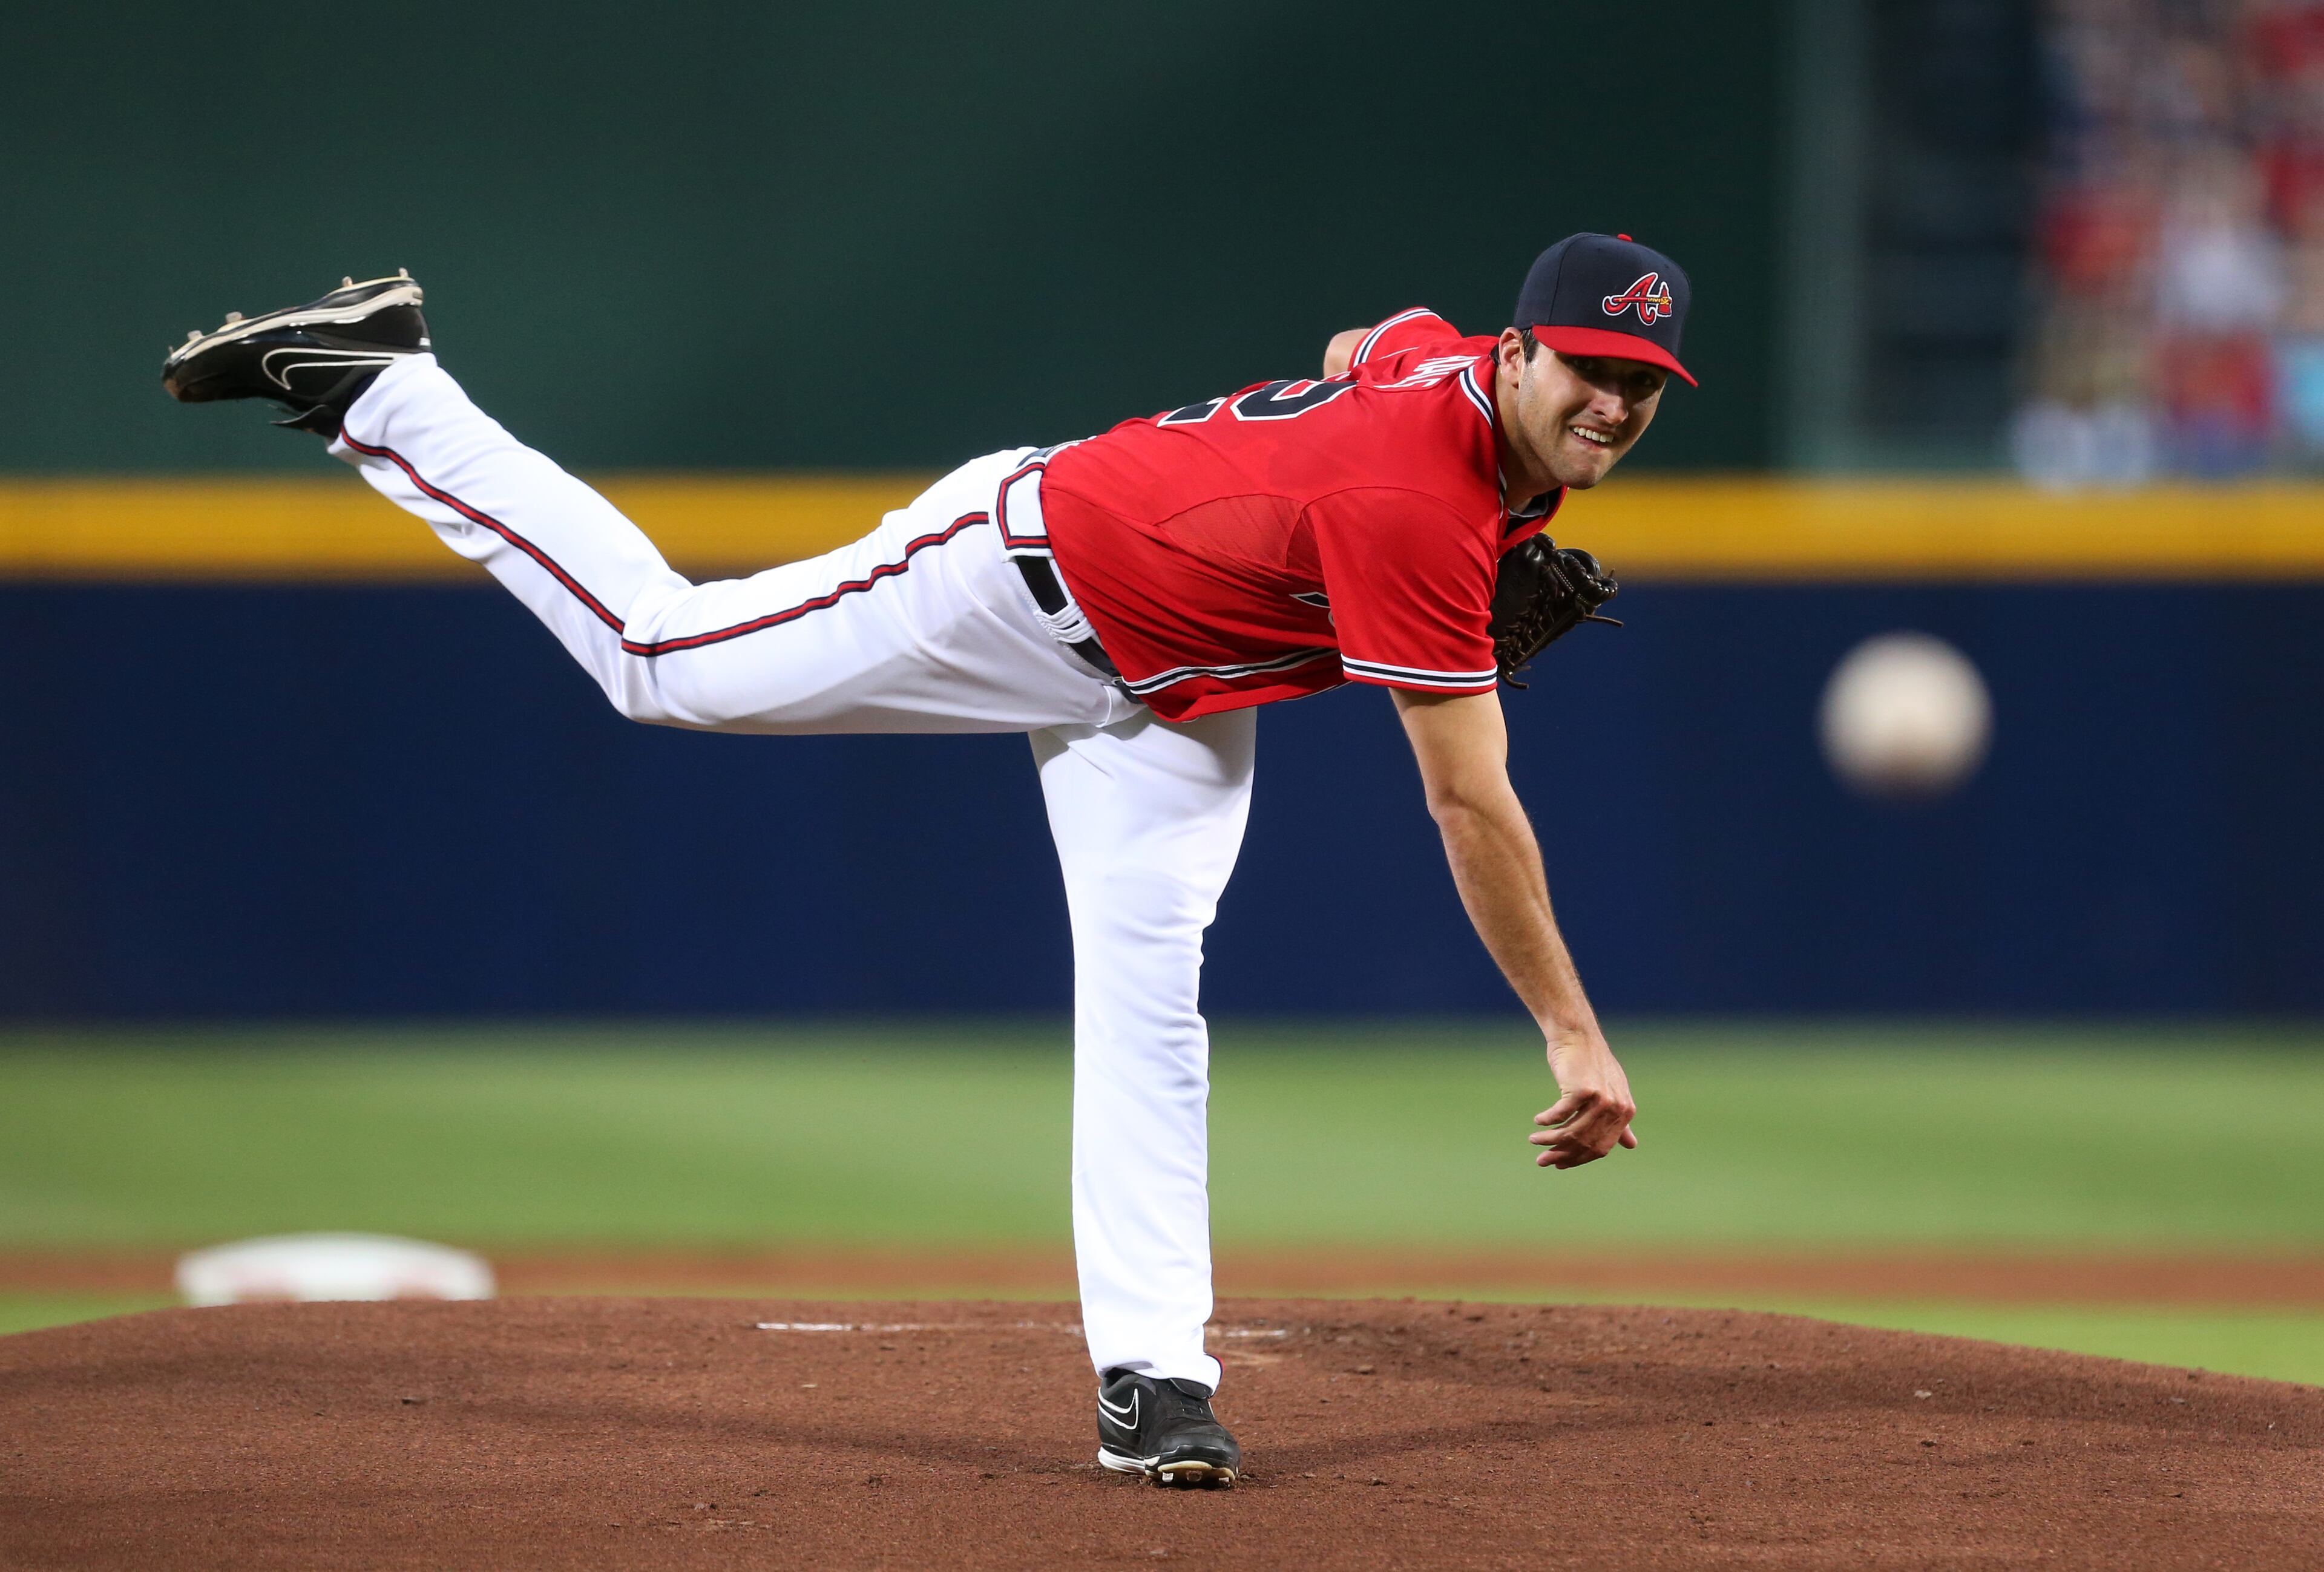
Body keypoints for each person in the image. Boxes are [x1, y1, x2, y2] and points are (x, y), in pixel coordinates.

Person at [162, 232, 1689, 1487]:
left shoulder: (1458, 384)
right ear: (1518, 349)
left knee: (1154, 998)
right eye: (1590, 369)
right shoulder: (1419, 504)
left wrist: (1355, 433)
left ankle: (1156, 1378)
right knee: (660, 658)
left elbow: (1374, 336)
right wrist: (1571, 1029)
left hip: (1164, 690)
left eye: (1642, 384)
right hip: (1006, 579)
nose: (1612, 406)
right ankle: (386, 386)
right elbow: (1470, 803)